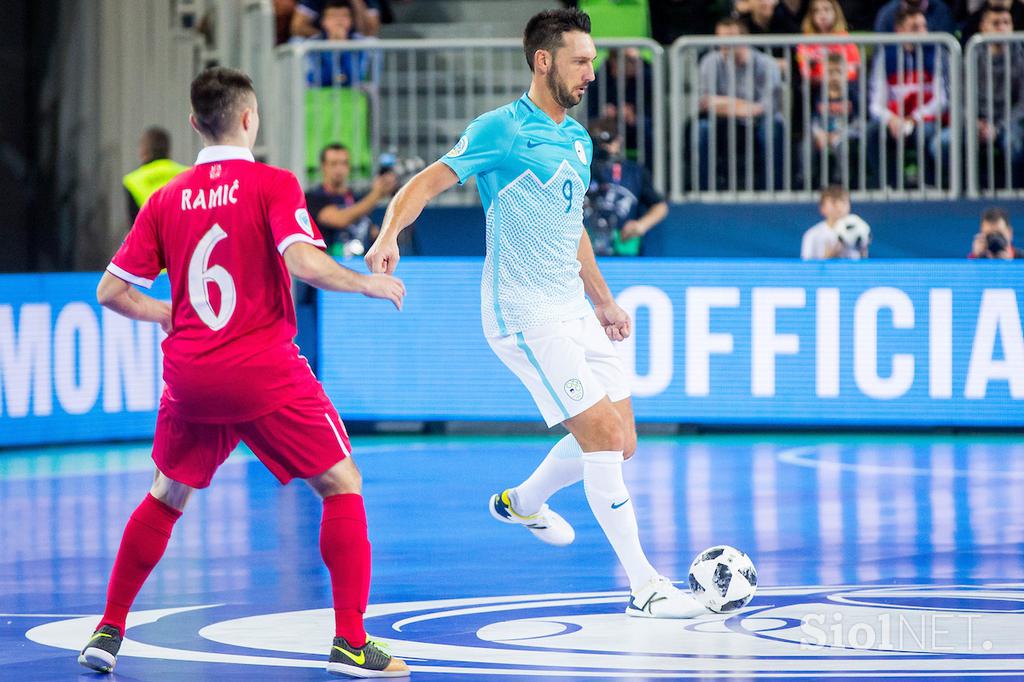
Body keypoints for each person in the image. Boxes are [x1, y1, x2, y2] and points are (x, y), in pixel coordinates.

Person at [365, 8, 705, 619]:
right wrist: (390, 233)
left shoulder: (577, 140)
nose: (592, 73)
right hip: (523, 313)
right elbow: (423, 184)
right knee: (599, 436)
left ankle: (522, 502)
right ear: (544, 60)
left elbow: (571, 224)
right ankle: (646, 587)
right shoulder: (500, 129)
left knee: (622, 442)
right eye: (581, 60)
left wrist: (601, 298)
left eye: (594, 61)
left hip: (572, 306)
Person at [78, 67, 408, 678]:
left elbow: (111, 292)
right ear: (250, 119)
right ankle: (352, 641)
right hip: (262, 372)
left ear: (195, 125)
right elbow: (305, 262)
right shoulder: (272, 184)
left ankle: (108, 628)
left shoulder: (165, 197)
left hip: (191, 379)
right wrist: (366, 282)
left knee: (165, 495)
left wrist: (169, 313)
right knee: (342, 483)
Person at [694, 17, 785, 190]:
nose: (725, 44)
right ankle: (704, 190)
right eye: (720, 38)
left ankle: (773, 191)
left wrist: (723, 103)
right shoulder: (709, 61)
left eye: (730, 38)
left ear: (745, 38)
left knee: (772, 128)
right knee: (701, 129)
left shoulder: (766, 63)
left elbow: (766, 106)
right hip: (722, 120)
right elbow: (705, 102)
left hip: (759, 121)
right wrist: (742, 105)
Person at [866, 6, 948, 187]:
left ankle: (929, 185)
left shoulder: (937, 54)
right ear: (900, 31)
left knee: (925, 133)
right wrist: (892, 119)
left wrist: (914, 118)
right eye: (915, 28)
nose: (922, 32)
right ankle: (889, 186)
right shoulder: (885, 57)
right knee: (872, 132)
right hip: (895, 119)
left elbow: (941, 99)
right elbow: (875, 104)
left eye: (924, 27)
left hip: (925, 118)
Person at [584, 118, 668, 256]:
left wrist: (641, 225)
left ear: (618, 140)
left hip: (623, 245)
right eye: (598, 142)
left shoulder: (634, 171)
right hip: (585, 243)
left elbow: (660, 206)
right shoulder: (580, 168)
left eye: (609, 141)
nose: (604, 147)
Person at [968, 4, 1024, 189]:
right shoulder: (971, 56)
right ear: (983, 27)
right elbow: (960, 99)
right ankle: (960, 194)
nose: (1002, 28)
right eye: (996, 23)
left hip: (1009, 123)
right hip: (977, 123)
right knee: (943, 144)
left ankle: (1014, 194)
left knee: (1013, 143)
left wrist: (998, 128)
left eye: (1006, 23)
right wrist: (975, 122)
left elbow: (1022, 105)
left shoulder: (1021, 58)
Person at [307, 143, 397, 257]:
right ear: (323, 167)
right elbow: (340, 219)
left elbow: (371, 231)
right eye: (333, 164)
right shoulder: (313, 198)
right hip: (328, 266)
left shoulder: (356, 198)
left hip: (360, 266)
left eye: (344, 163)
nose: (339, 169)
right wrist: (377, 194)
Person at [123, 127, 189, 224]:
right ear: (168, 150)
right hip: (183, 235)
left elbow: (134, 226)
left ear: (144, 151)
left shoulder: (132, 180)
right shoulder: (187, 173)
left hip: (151, 236)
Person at [306, 0, 371, 88]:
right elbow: (315, 78)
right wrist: (331, 47)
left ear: (351, 21)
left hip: (353, 97)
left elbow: (356, 77)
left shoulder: (361, 43)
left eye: (344, 16)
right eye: (333, 16)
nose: (339, 20)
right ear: (323, 22)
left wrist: (344, 46)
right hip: (319, 96)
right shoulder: (312, 44)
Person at [796, 0, 861, 85]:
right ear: (811, 16)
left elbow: (855, 65)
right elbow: (803, 69)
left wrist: (837, 79)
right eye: (816, 11)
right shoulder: (806, 40)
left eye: (826, 9)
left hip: (844, 85)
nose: (822, 15)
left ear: (835, 12)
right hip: (817, 87)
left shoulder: (845, 38)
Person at [801, 185, 871, 259]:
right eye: (834, 203)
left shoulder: (859, 230)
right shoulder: (812, 235)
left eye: (843, 202)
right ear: (822, 208)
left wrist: (863, 252)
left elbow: (862, 263)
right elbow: (806, 267)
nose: (839, 207)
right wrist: (828, 256)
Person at [291, 0, 383, 38]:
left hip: (352, 40)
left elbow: (371, 31)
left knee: (372, 42)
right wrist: (328, 37)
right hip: (320, 39)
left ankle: (365, 79)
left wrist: (357, 2)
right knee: (297, 42)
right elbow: (297, 27)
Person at [874, 0, 957, 32]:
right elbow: (881, 53)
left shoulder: (941, 11)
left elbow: (946, 52)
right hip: (897, 68)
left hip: (933, 67)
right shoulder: (887, 14)